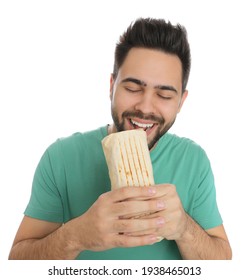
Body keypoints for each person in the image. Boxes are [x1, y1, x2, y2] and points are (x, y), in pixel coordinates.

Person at [8, 18, 232, 260]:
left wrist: (184, 229)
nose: (146, 107)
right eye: (133, 89)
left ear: (181, 102)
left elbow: (223, 262)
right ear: (112, 86)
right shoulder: (61, 158)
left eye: (164, 95)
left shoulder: (193, 161)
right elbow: (18, 261)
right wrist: (76, 235)